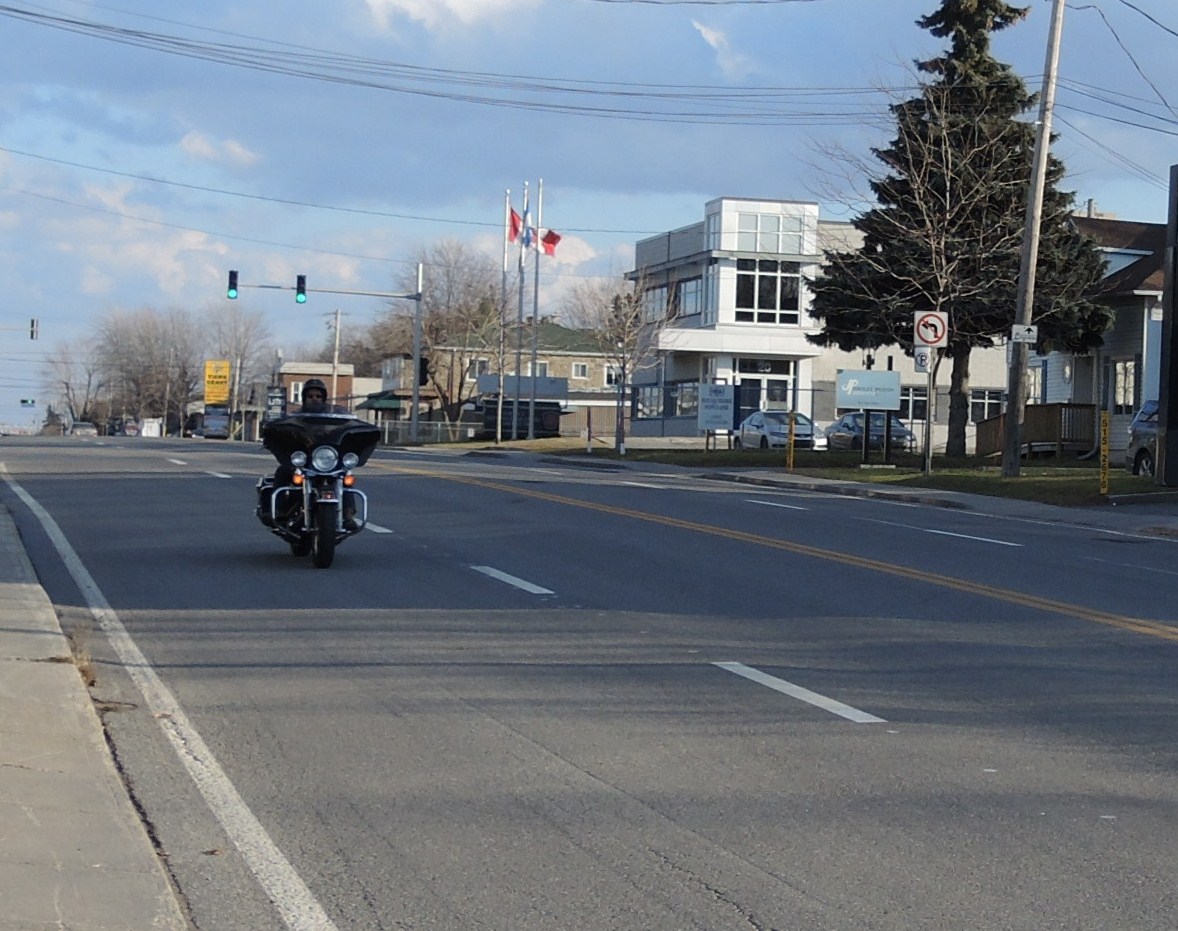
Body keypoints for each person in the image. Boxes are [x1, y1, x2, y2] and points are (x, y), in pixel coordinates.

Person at [259, 378, 359, 530]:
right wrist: (273, 430)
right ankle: (278, 511)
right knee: (283, 471)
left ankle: (348, 514)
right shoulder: (296, 418)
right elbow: (283, 428)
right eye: (310, 396)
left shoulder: (335, 417)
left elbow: (347, 427)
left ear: (324, 398)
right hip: (305, 461)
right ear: (304, 398)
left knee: (345, 476)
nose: (314, 399)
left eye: (318, 396)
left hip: (326, 460)